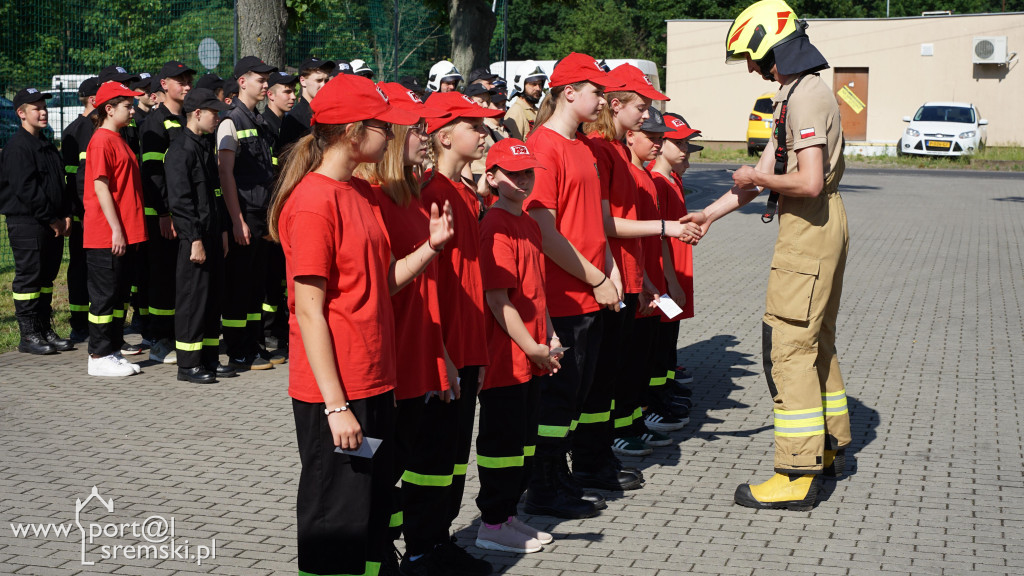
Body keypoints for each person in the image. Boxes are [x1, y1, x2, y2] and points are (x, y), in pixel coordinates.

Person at [266, 72, 445, 576]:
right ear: (352, 132)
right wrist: (336, 405)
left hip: (373, 379)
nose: (390, 136)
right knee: (335, 521)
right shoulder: (313, 202)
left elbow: (381, 281)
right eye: (383, 127)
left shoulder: (361, 195)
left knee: (367, 514)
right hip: (338, 389)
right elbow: (308, 310)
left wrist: (430, 247)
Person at [685, 0, 850, 510]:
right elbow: (763, 171)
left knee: (788, 347)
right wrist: (708, 215)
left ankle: (796, 474)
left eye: (753, 58)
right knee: (813, 340)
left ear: (772, 46)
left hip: (810, 226)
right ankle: (826, 447)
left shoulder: (803, 97)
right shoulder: (796, 93)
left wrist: (757, 178)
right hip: (817, 226)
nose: (753, 69)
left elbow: (806, 181)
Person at [354, 82, 483, 576]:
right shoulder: (379, 199)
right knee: (387, 472)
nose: (423, 136)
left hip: (419, 356)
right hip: (390, 361)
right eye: (415, 129)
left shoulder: (408, 196)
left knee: (416, 462)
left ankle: (423, 547)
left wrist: (442, 355)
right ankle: (401, 553)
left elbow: (429, 291)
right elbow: (380, 285)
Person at [519, 52, 624, 520]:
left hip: (590, 291)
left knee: (575, 396)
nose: (603, 99)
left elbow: (595, 223)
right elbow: (544, 230)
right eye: (597, 91)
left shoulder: (582, 146)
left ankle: (558, 475)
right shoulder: (544, 147)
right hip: (562, 295)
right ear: (569, 93)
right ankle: (541, 488)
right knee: (556, 397)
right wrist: (597, 276)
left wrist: (611, 270)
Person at [575, 64, 687, 482]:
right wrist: (665, 229)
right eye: (641, 107)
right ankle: (590, 459)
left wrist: (644, 282)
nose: (646, 116)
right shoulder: (599, 150)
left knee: (610, 376)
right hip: (608, 282)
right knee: (603, 379)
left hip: (626, 281)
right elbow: (604, 225)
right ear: (616, 104)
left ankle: (599, 455)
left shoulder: (620, 151)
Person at [417, 91, 503, 575]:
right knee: (434, 456)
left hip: (468, 345)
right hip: (445, 349)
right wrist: (443, 352)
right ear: (446, 136)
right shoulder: (432, 193)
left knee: (453, 458)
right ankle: (423, 547)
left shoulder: (465, 193)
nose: (484, 134)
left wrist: (478, 347)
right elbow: (430, 282)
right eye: (475, 126)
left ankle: (439, 539)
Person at [474, 138, 561, 554]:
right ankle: (491, 523)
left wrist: (551, 337)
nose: (523, 180)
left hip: (531, 354)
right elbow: (497, 299)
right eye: (513, 173)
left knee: (524, 443)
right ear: (491, 177)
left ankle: (508, 516)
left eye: (528, 172)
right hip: (507, 360)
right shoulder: (494, 224)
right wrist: (532, 347)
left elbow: (536, 290)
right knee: (502, 445)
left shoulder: (527, 221)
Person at [217, 56, 284, 372]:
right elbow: (225, 174)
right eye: (260, 79)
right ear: (242, 81)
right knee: (238, 287)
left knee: (255, 285)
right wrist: (237, 220)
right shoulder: (231, 121)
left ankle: (254, 344)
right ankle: (237, 350)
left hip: (261, 214)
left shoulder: (257, 120)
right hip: (244, 214)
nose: (265, 84)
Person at [165, 88, 235, 384]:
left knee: (211, 299)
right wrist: (193, 238)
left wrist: (220, 231)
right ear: (197, 114)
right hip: (194, 238)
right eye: (213, 113)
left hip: (211, 234)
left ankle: (208, 358)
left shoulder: (204, 146)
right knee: (193, 300)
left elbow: (214, 194)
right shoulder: (181, 149)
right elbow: (180, 201)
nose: (217, 118)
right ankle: (188, 364)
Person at [0, 87, 74, 355]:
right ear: (21, 114)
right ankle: (28, 334)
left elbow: (60, 185)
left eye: (44, 107)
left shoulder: (46, 145)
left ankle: (44, 328)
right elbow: (27, 189)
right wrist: (52, 219)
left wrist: (66, 214)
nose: (43, 112)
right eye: (36, 108)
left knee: (46, 279)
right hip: (28, 224)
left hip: (51, 223)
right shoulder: (18, 147)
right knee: (29, 280)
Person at [82, 82, 148, 377]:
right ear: (108, 109)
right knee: (104, 297)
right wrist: (116, 230)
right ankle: (97, 355)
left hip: (123, 233)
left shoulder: (118, 138)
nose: (132, 110)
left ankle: (109, 349)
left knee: (117, 295)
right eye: (127, 106)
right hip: (106, 235)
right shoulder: (101, 140)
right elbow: (100, 185)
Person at [140, 60, 196, 365]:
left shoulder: (188, 118)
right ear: (164, 85)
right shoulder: (155, 122)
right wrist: (164, 213)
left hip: (185, 213)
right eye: (180, 81)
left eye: (188, 81)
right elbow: (153, 174)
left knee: (182, 277)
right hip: (164, 217)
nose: (186, 86)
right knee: (163, 277)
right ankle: (160, 340)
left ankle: (180, 333)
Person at [648, 112, 702, 405]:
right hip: (664, 280)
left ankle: (665, 385)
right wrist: (670, 281)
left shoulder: (672, 180)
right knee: (660, 337)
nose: (684, 149)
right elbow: (658, 238)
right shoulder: (656, 181)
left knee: (669, 334)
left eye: (686, 143)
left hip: (675, 277)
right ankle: (657, 396)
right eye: (677, 142)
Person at [261, 70, 298, 354]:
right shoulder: (265, 125)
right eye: (286, 91)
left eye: (293, 90)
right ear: (270, 95)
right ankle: (269, 330)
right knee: (269, 276)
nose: (292, 95)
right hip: (268, 208)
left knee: (279, 276)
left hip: (284, 206)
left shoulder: (289, 123)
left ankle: (277, 328)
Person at [61, 77, 100, 343]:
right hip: (83, 214)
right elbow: (73, 177)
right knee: (80, 268)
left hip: (91, 212)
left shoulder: (90, 127)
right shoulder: (80, 130)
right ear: (94, 99)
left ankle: (91, 323)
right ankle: (79, 323)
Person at [279, 58, 334, 151]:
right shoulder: (294, 119)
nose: (324, 85)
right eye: (319, 80)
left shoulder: (328, 113)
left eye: (326, 81)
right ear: (303, 81)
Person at [504, 61, 546, 140]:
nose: (538, 88)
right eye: (533, 84)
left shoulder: (537, 110)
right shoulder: (516, 112)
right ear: (521, 85)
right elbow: (515, 146)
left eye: (540, 84)